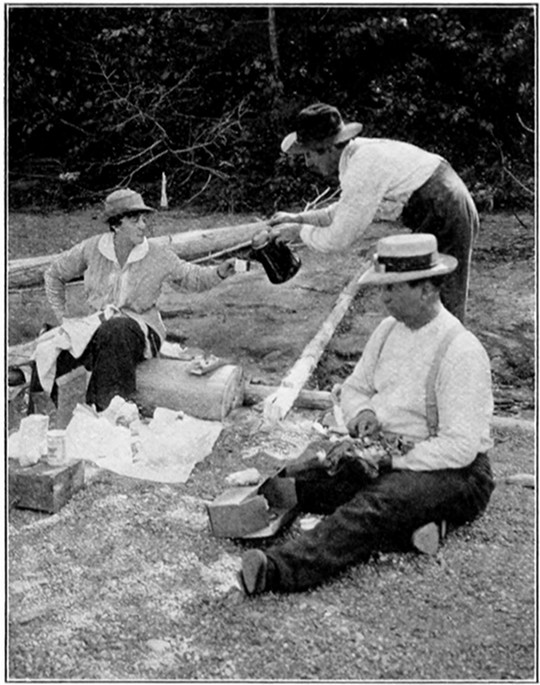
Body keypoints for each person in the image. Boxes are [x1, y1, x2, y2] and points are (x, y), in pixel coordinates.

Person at [237, 233, 494, 596]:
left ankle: (279, 569)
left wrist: (395, 462)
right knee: (316, 482)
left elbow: (461, 445)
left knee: (373, 505)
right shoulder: (388, 330)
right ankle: (415, 531)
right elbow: (355, 388)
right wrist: (363, 414)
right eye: (382, 288)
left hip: (456, 471)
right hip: (391, 451)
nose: (384, 298)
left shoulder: (461, 350)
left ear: (427, 289)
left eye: (393, 288)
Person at [268, 103, 479, 323]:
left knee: (438, 302)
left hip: (445, 209)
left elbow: (338, 237)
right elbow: (342, 211)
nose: (308, 162)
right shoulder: (356, 156)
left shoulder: (363, 166)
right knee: (420, 296)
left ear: (329, 147)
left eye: (309, 154)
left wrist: (299, 232)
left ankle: (449, 352)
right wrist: (299, 219)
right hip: (436, 207)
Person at [37, 188, 236, 412]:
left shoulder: (157, 254)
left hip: (141, 330)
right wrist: (61, 314)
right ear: (116, 224)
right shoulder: (91, 248)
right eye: (134, 219)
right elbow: (54, 274)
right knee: (56, 345)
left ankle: (113, 410)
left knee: (115, 330)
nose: (143, 225)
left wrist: (219, 272)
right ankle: (68, 414)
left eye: (144, 219)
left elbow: (193, 277)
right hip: (100, 326)